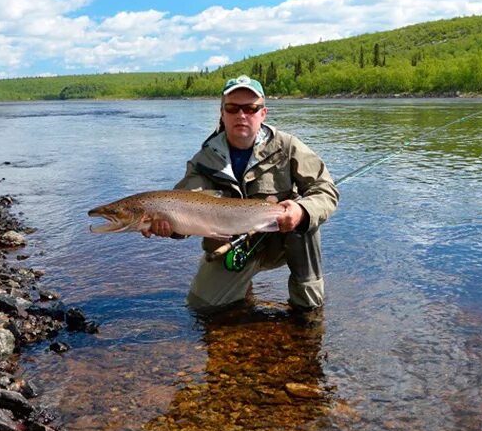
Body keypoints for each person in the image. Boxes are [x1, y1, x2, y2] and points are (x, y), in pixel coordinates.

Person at [144, 74, 339, 312]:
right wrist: (171, 227)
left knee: (305, 224)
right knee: (202, 307)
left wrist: (302, 211)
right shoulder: (204, 161)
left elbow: (325, 190)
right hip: (232, 246)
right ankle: (243, 291)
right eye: (233, 108)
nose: (241, 115)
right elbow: (184, 208)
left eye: (250, 108)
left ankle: (307, 308)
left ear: (263, 113)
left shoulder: (288, 147)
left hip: (282, 239)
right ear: (222, 113)